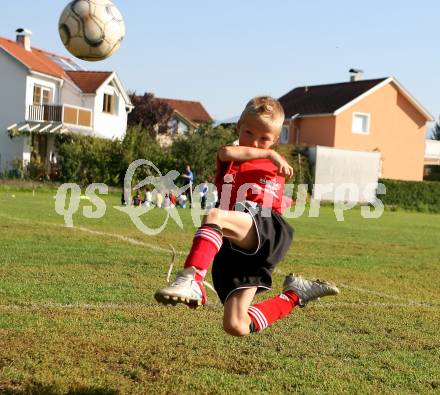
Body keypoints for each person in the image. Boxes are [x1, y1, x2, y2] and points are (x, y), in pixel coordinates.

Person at [155, 96, 339, 336]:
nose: (255, 142)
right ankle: (295, 294)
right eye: (249, 133)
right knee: (236, 325)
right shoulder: (235, 157)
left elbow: (271, 199)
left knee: (215, 216)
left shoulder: (278, 164)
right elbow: (227, 151)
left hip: (265, 228)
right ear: (238, 127)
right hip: (234, 248)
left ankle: (191, 277)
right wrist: (269, 155)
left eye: (264, 139)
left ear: (275, 138)